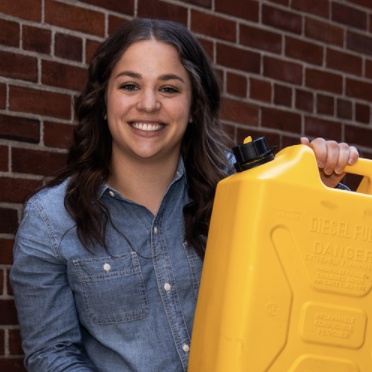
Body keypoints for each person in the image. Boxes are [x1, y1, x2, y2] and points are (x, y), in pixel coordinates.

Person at [10, 18, 359, 372]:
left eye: (169, 89)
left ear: (193, 107)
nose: (148, 104)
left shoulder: (246, 189)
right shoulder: (51, 222)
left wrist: (324, 191)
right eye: (130, 85)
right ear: (103, 101)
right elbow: (52, 355)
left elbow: (320, 279)